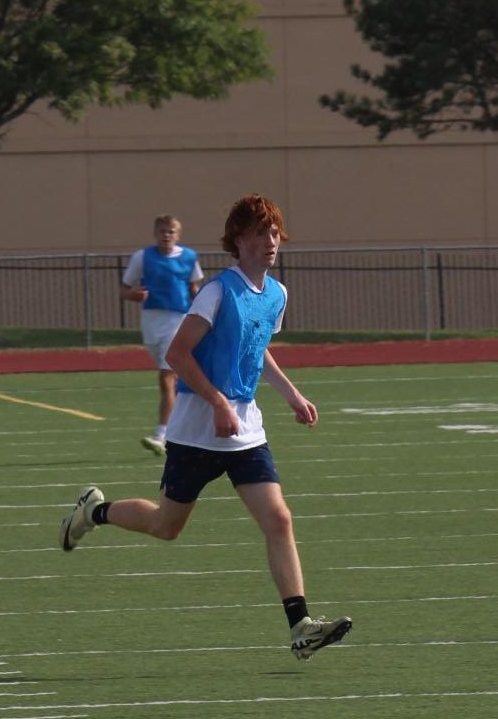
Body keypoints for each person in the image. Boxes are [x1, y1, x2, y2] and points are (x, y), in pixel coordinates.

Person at [61, 193, 352, 662]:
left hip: (245, 429)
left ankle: (300, 625)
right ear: (239, 239)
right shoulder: (218, 291)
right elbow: (177, 355)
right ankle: (93, 512)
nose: (271, 240)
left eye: (275, 232)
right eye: (261, 232)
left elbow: (258, 350)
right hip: (198, 428)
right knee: (166, 525)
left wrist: (292, 395)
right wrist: (217, 402)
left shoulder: (277, 294)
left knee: (279, 519)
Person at [121, 215, 205, 457]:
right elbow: (124, 289)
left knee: (166, 378)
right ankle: (189, 425)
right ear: (155, 233)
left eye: (171, 232)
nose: (166, 236)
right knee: (177, 382)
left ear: (178, 235)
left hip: (178, 321)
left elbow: (194, 287)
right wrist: (134, 295)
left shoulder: (189, 257)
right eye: (162, 232)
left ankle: (161, 434)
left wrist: (203, 310)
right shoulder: (142, 257)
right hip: (151, 324)